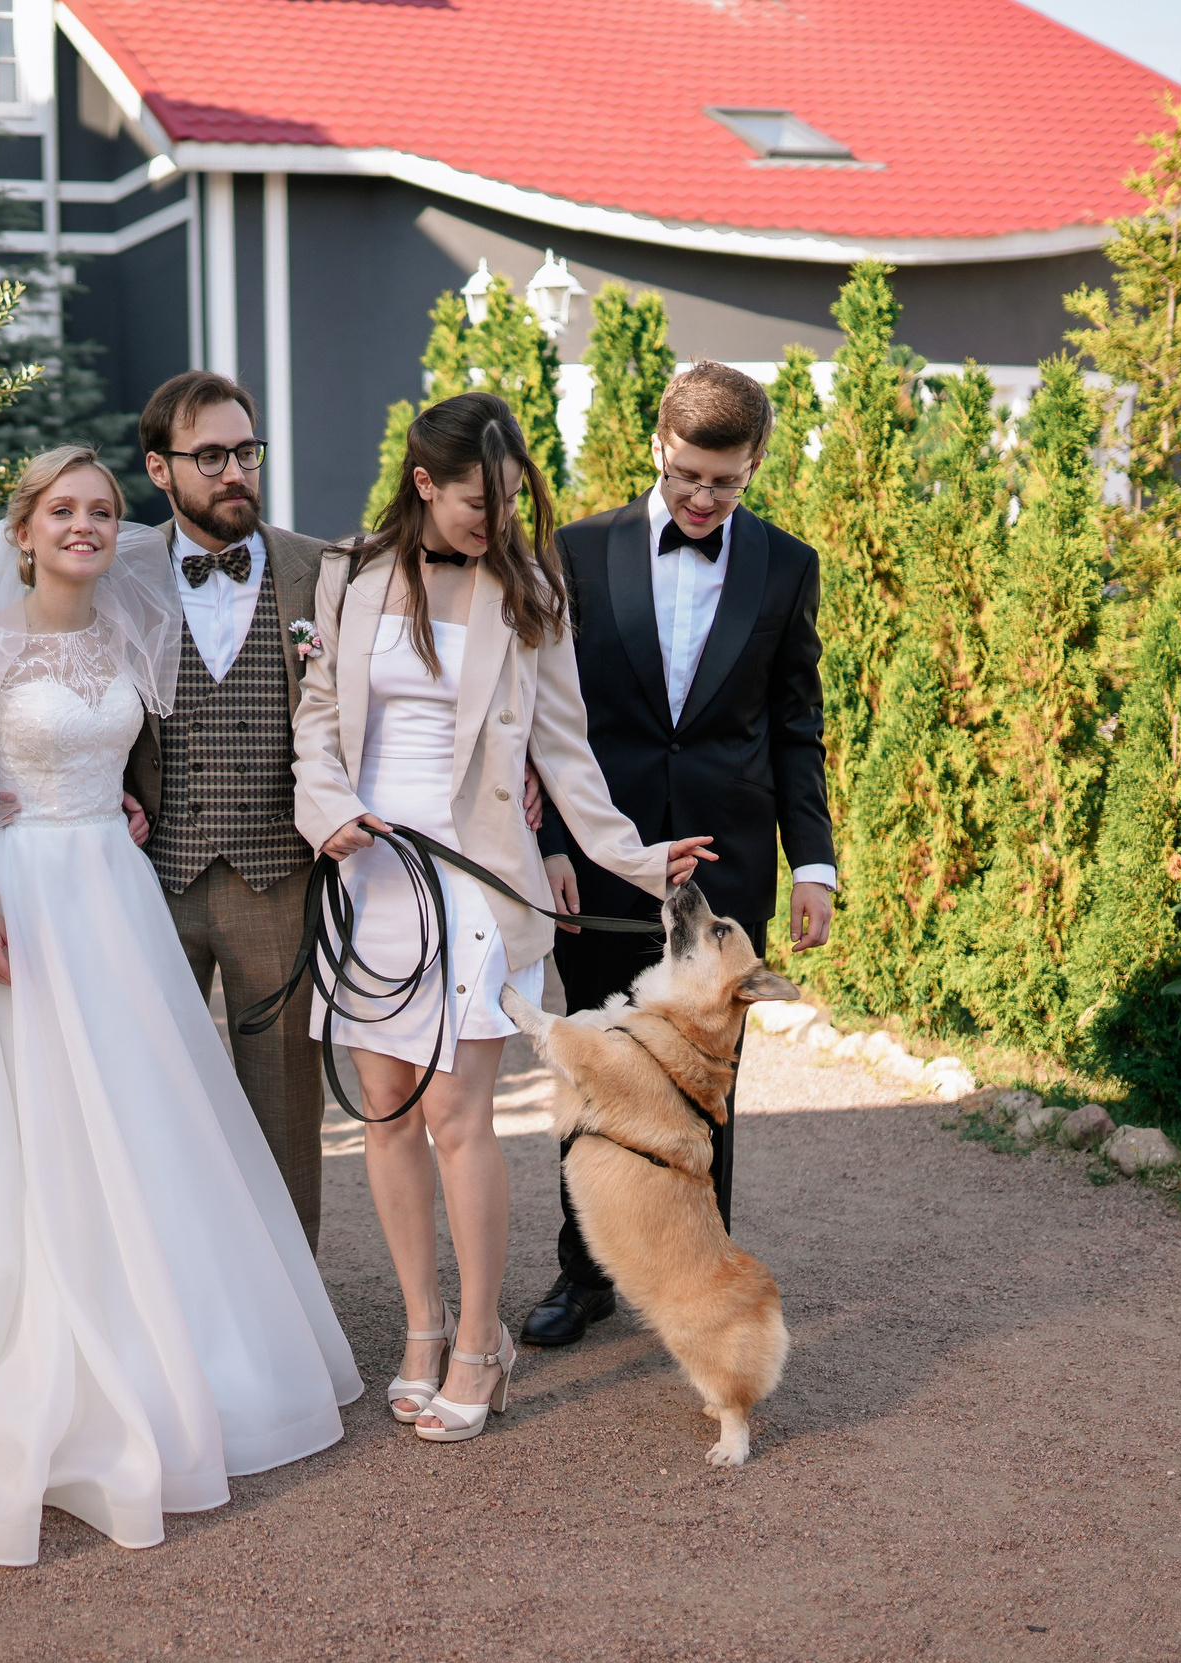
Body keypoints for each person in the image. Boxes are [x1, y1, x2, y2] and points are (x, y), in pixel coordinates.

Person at [0, 445, 362, 1568]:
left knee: (145, 1114)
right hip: (19, 894)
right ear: (20, 531)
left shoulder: (130, 632)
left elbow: (134, 750)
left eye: (102, 511)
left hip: (113, 896)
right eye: (62, 510)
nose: (84, 525)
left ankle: (182, 1332)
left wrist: (118, 797)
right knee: (8, 1119)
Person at [292, 392, 709, 1443]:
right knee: (382, 1109)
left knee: (454, 1114)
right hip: (367, 879)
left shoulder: (528, 589)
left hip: (475, 884)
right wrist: (328, 813)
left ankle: (482, 1336)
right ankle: (423, 1329)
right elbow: (319, 723)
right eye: (480, 502)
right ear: (424, 486)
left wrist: (633, 856)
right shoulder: (347, 573)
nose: (497, 520)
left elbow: (564, 751)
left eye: (512, 500)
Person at [522, 360, 833, 1350]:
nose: (702, 498)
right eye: (687, 476)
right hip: (596, 864)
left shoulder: (786, 567)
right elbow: (534, 717)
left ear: (753, 468)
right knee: (596, 1071)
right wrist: (544, 842)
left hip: (725, 876)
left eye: (725, 483)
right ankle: (584, 1272)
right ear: (658, 448)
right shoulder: (573, 552)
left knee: (706, 1089)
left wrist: (813, 865)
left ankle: (697, 1284)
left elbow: (795, 728)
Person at [122, 372, 333, 1246]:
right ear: (161, 469)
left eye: (244, 451)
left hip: (278, 876)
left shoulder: (322, 570)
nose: (234, 471)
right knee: (143, 1098)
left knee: (286, 1109)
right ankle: (162, 1301)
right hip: (145, 876)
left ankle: (295, 1320)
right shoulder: (116, 571)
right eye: (208, 456)